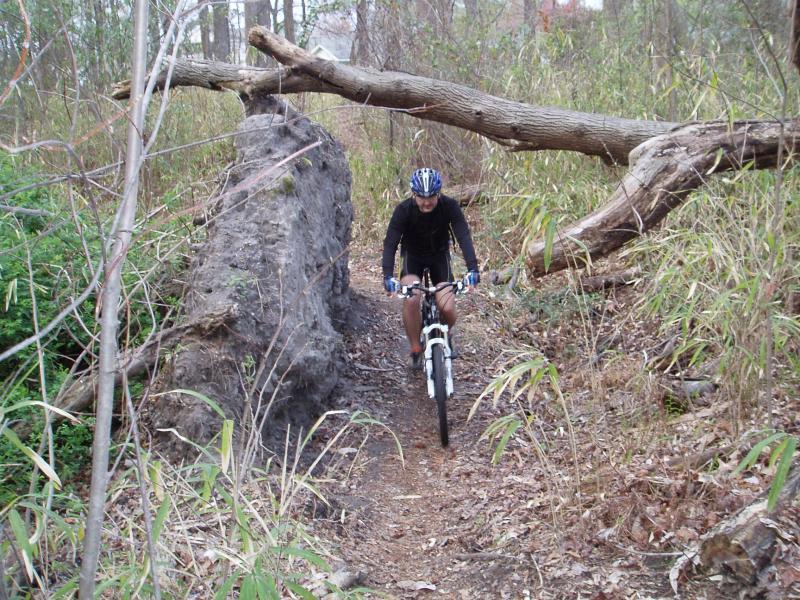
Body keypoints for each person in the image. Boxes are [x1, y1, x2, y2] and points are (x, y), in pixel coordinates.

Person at [382, 167, 480, 368]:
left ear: (439, 193)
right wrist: (387, 276)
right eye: (421, 197)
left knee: (447, 307)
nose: (426, 202)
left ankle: (444, 334)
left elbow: (463, 236)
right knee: (412, 299)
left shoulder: (449, 206)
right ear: (413, 194)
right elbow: (390, 243)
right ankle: (416, 348)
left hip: (439, 256)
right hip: (413, 257)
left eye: (431, 197)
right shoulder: (403, 211)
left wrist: (473, 270)